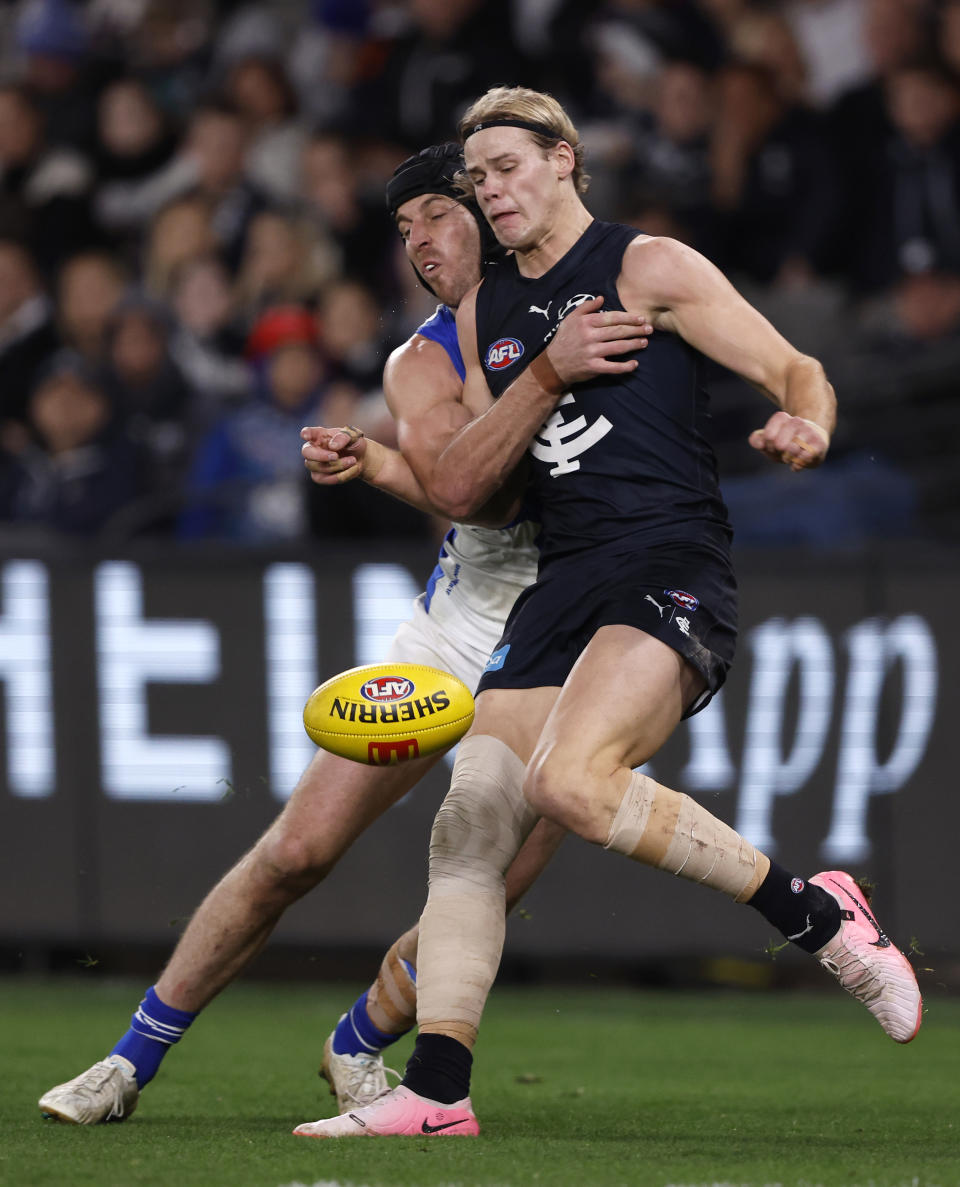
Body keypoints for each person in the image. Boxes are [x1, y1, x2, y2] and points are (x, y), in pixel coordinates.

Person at [294, 86, 922, 1141]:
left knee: (569, 784)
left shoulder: (647, 267)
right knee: (469, 833)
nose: (490, 188)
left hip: (667, 561)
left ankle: (818, 915)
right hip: (559, 579)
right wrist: (475, 414)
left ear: (566, 161)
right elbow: (471, 489)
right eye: (477, 173)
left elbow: (794, 367)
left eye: (508, 165)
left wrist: (805, 422)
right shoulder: (486, 313)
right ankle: (438, 1092)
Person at [37, 142, 647, 1125]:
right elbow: (472, 498)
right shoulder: (423, 357)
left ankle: (359, 1036)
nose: (420, 244)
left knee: (486, 884)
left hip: (569, 635)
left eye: (438, 218)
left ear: (495, 209)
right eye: (404, 231)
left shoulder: (601, 311)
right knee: (298, 848)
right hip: (460, 622)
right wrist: (406, 453)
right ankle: (127, 1061)